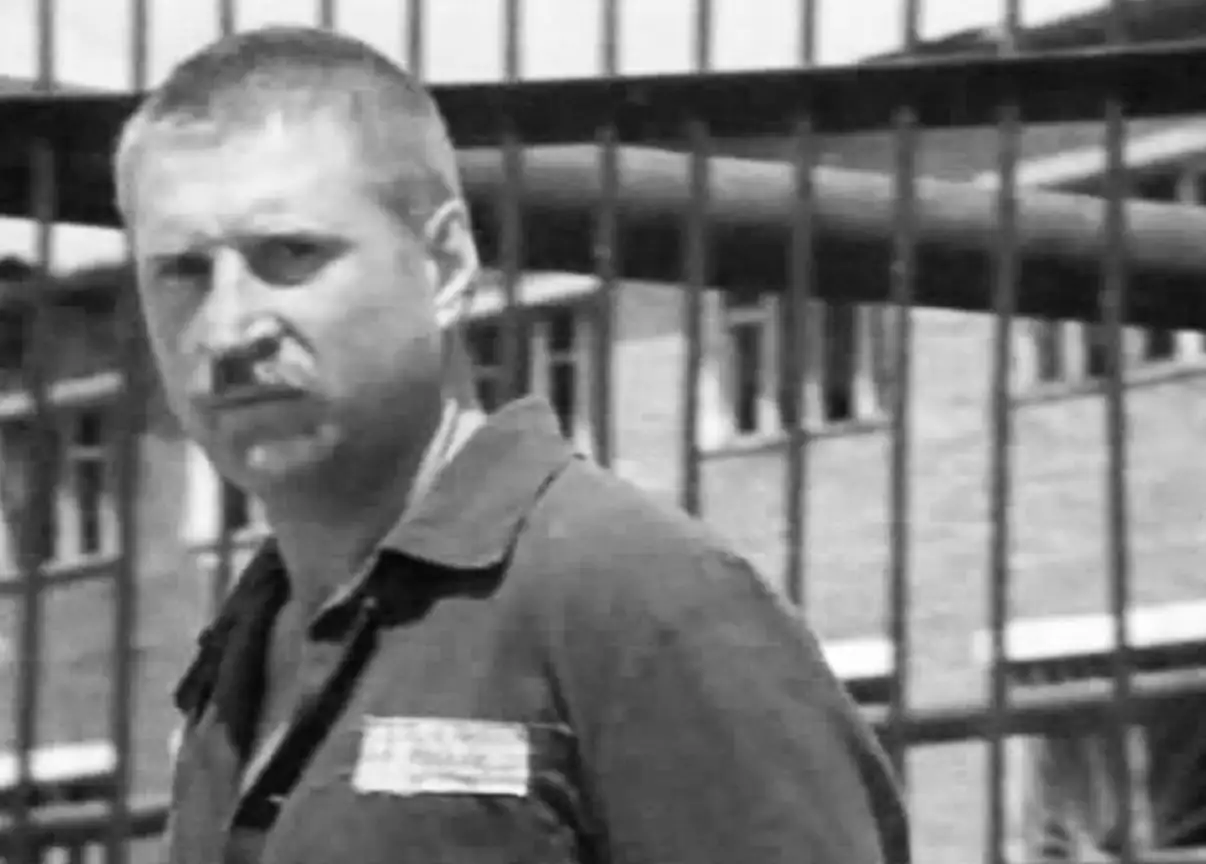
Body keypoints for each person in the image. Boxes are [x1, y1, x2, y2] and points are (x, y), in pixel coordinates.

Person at [117, 25, 910, 864]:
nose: (229, 327)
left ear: (446, 265)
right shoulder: (241, 651)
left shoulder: (637, 600)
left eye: (291, 253)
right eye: (183, 272)